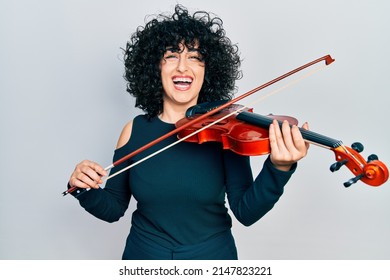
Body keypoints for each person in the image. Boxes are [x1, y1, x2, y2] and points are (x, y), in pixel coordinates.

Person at [67, 4, 309, 260]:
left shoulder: (224, 130)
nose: (183, 67)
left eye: (195, 57)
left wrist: (279, 169)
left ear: (208, 70)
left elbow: (246, 212)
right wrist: (82, 187)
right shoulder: (133, 130)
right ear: (155, 68)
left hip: (212, 257)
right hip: (144, 256)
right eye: (171, 56)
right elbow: (113, 208)